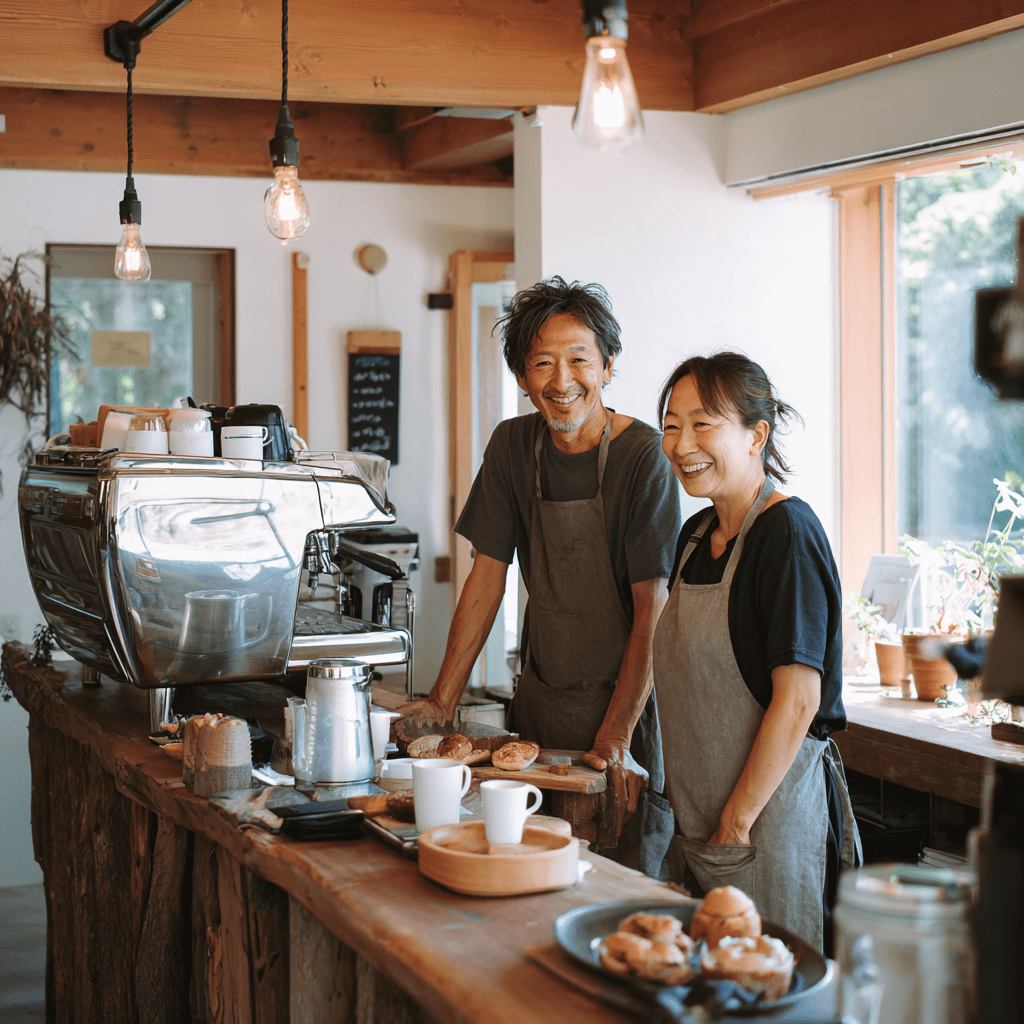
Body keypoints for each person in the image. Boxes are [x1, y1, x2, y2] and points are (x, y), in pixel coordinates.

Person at [400, 277, 681, 874]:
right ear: (522, 378)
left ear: (607, 367)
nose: (562, 381)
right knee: (525, 867)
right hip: (540, 708)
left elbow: (653, 610)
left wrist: (616, 739)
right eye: (542, 363)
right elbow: (486, 578)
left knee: (614, 884)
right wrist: (440, 700)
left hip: (625, 712)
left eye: (579, 359)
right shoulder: (511, 444)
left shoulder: (645, 458)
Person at [653, 352, 859, 953]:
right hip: (700, 830)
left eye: (702, 423)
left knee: (771, 989)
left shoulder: (787, 533)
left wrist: (734, 824)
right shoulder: (694, 538)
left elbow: (798, 702)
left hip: (765, 831)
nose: (681, 443)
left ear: (756, 435)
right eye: (670, 425)